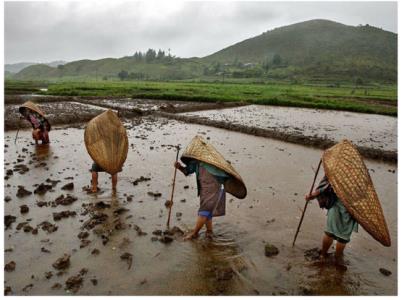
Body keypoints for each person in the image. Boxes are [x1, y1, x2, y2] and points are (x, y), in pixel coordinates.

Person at [305, 176, 358, 267]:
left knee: (330, 232)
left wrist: (313, 195)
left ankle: (323, 255)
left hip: (337, 205)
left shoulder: (337, 171)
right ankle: (337, 259)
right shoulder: (359, 177)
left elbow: (327, 186)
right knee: (343, 237)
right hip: (351, 209)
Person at [174, 159, 230, 240]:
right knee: (208, 211)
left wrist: (226, 165)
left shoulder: (214, 162)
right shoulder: (196, 162)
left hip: (214, 189)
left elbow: (225, 173)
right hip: (204, 190)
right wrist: (179, 167)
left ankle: (195, 233)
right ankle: (209, 231)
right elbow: (187, 171)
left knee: (204, 211)